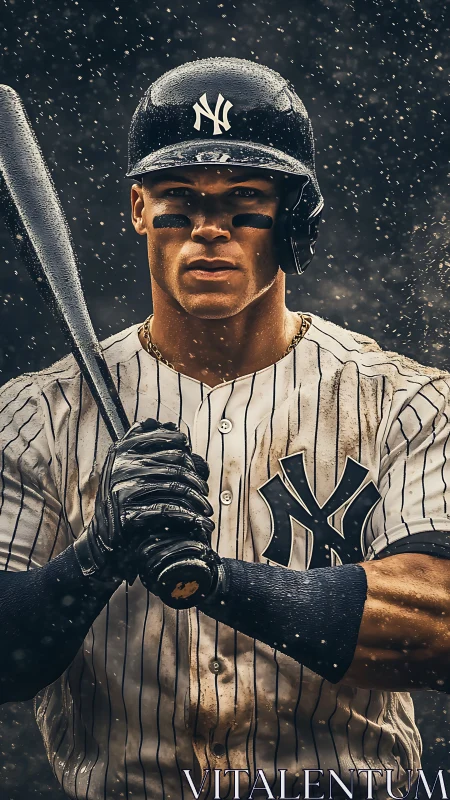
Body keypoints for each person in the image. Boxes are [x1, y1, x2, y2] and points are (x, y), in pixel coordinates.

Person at [0, 57, 449, 800]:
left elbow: (436, 630)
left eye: (245, 201)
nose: (209, 229)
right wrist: (97, 558)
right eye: (179, 200)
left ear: (295, 215)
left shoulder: (406, 402)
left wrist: (219, 582)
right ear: (139, 208)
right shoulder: (35, 414)